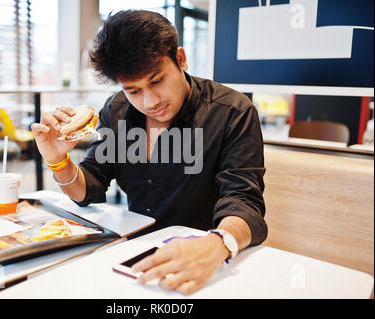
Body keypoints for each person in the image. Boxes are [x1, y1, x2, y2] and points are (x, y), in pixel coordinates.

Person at [31, 10, 267, 295]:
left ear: (180, 59)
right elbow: (90, 189)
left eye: (156, 81)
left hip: (204, 262)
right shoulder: (116, 110)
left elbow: (244, 202)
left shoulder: (232, 112)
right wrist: (58, 160)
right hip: (131, 258)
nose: (150, 101)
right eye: (133, 90)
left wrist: (216, 245)